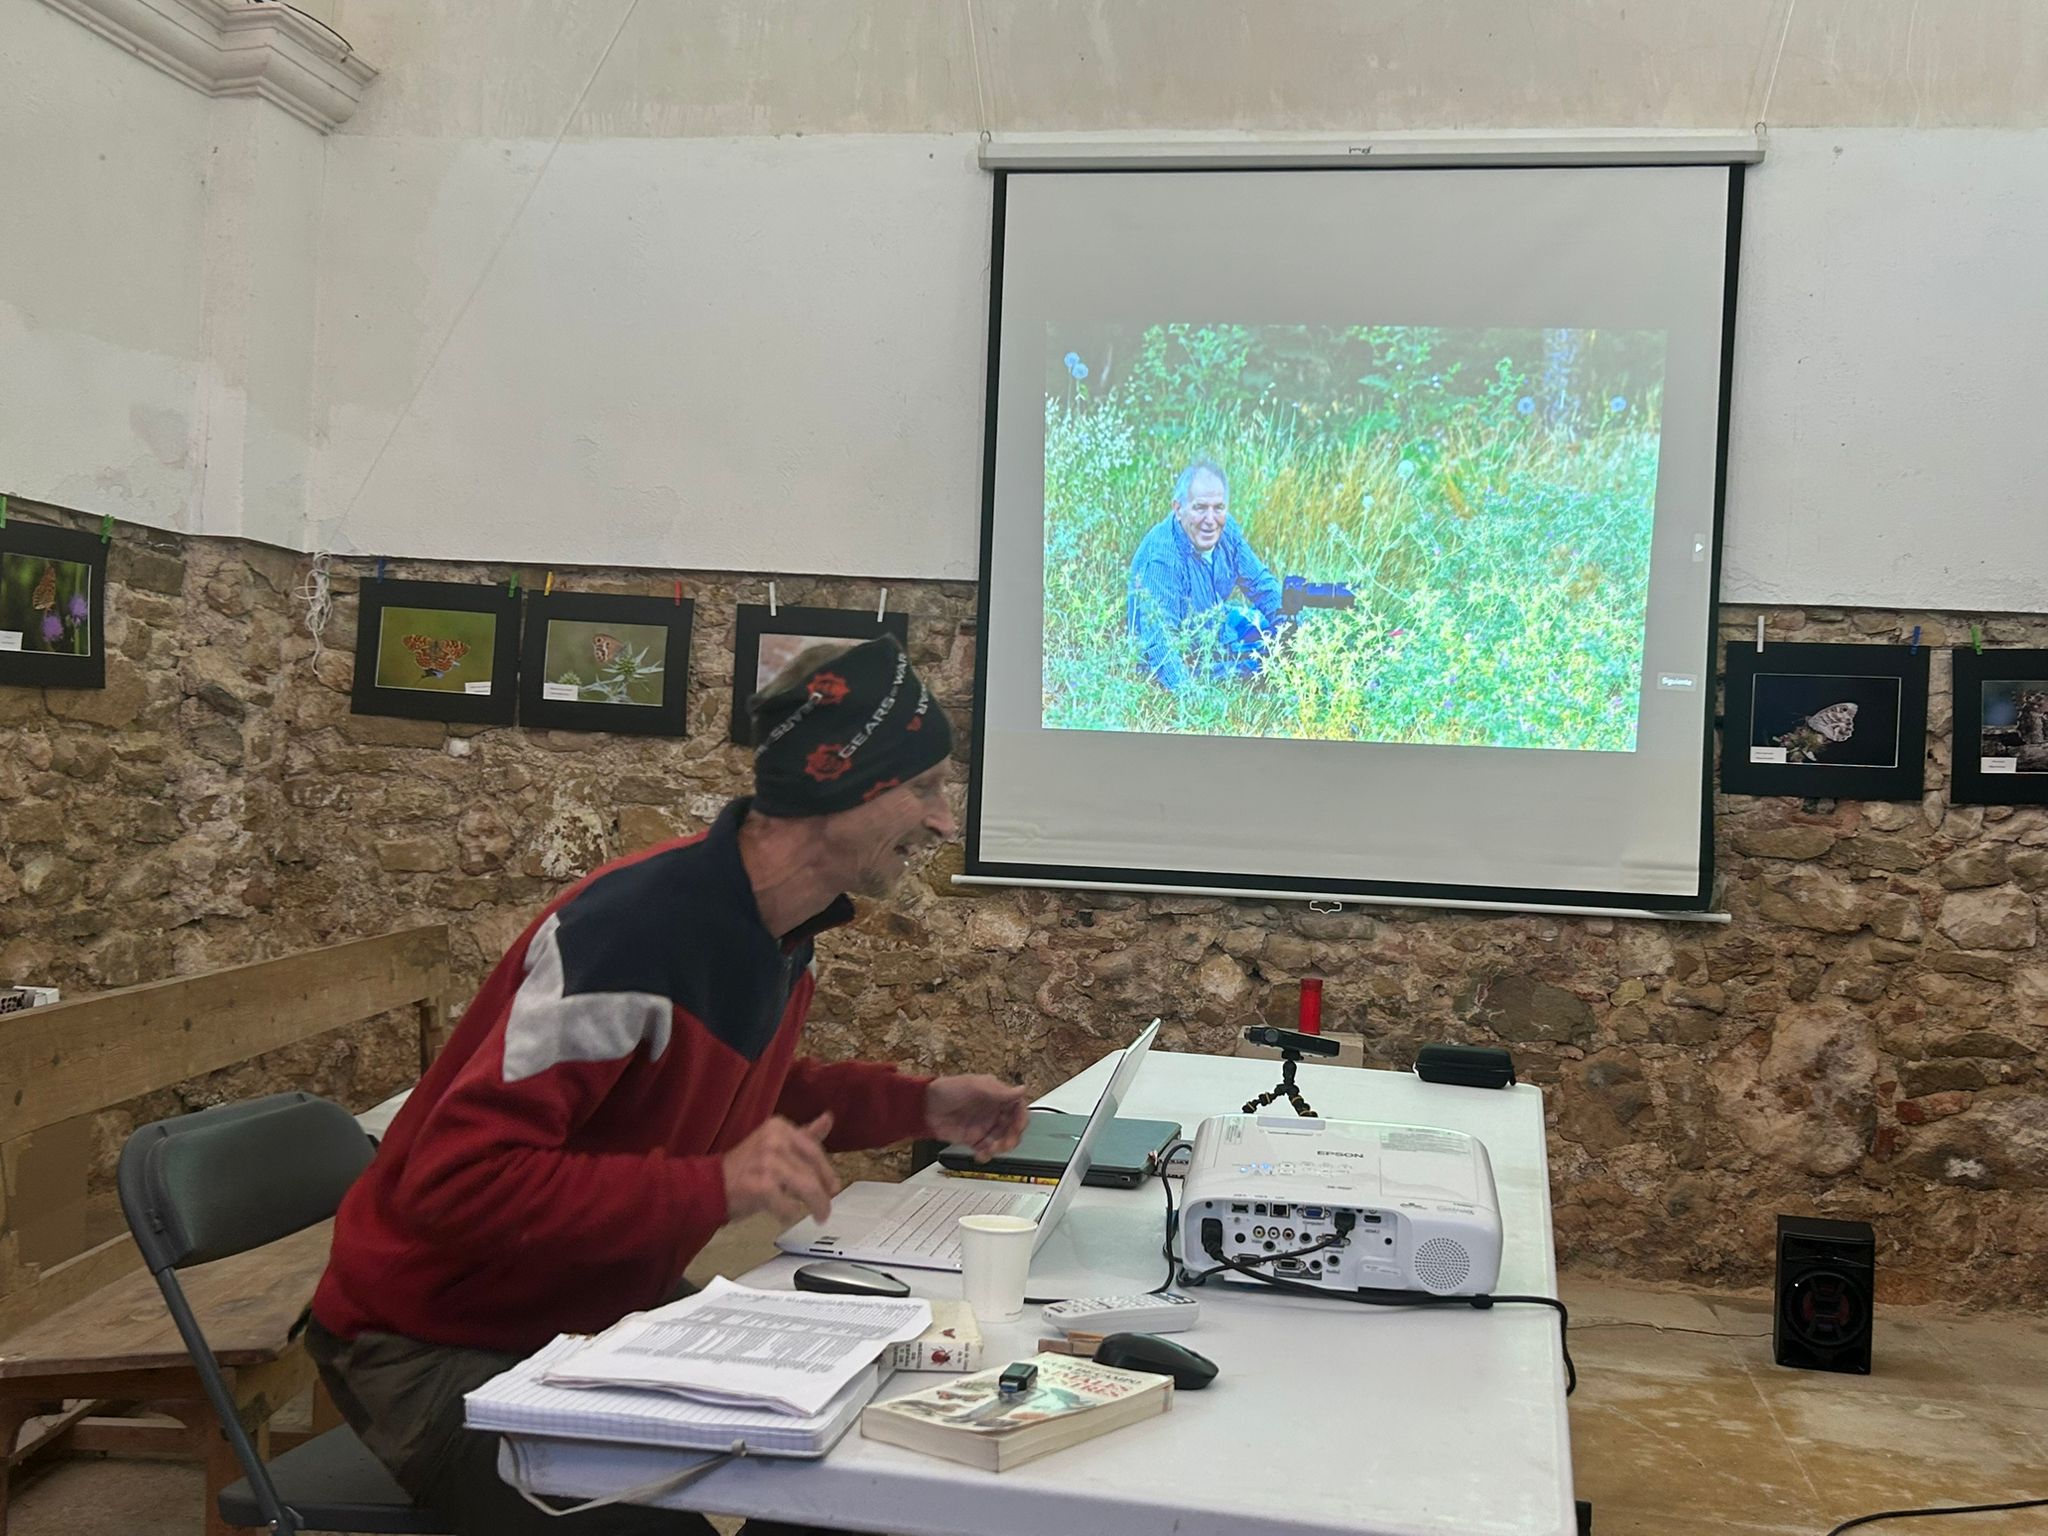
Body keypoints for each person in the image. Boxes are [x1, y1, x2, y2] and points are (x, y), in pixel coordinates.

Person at [307, 635, 1032, 1535]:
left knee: (852, 1460)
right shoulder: (633, 933)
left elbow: (737, 1093)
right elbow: (458, 1183)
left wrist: (917, 1104)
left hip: (589, 1313)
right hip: (434, 1343)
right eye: (922, 787)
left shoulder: (776, 929)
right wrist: (712, 1186)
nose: (942, 822)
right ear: (841, 786)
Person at [1126, 458, 1285, 691]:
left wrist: (1293, 638)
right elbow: (1160, 643)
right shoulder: (1163, 557)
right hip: (1183, 657)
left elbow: (1263, 586)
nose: (1210, 520)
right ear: (1178, 509)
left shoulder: (1226, 530)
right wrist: (1193, 699)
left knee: (1285, 631)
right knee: (1253, 671)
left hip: (1217, 626)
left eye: (1218, 508)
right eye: (1200, 508)